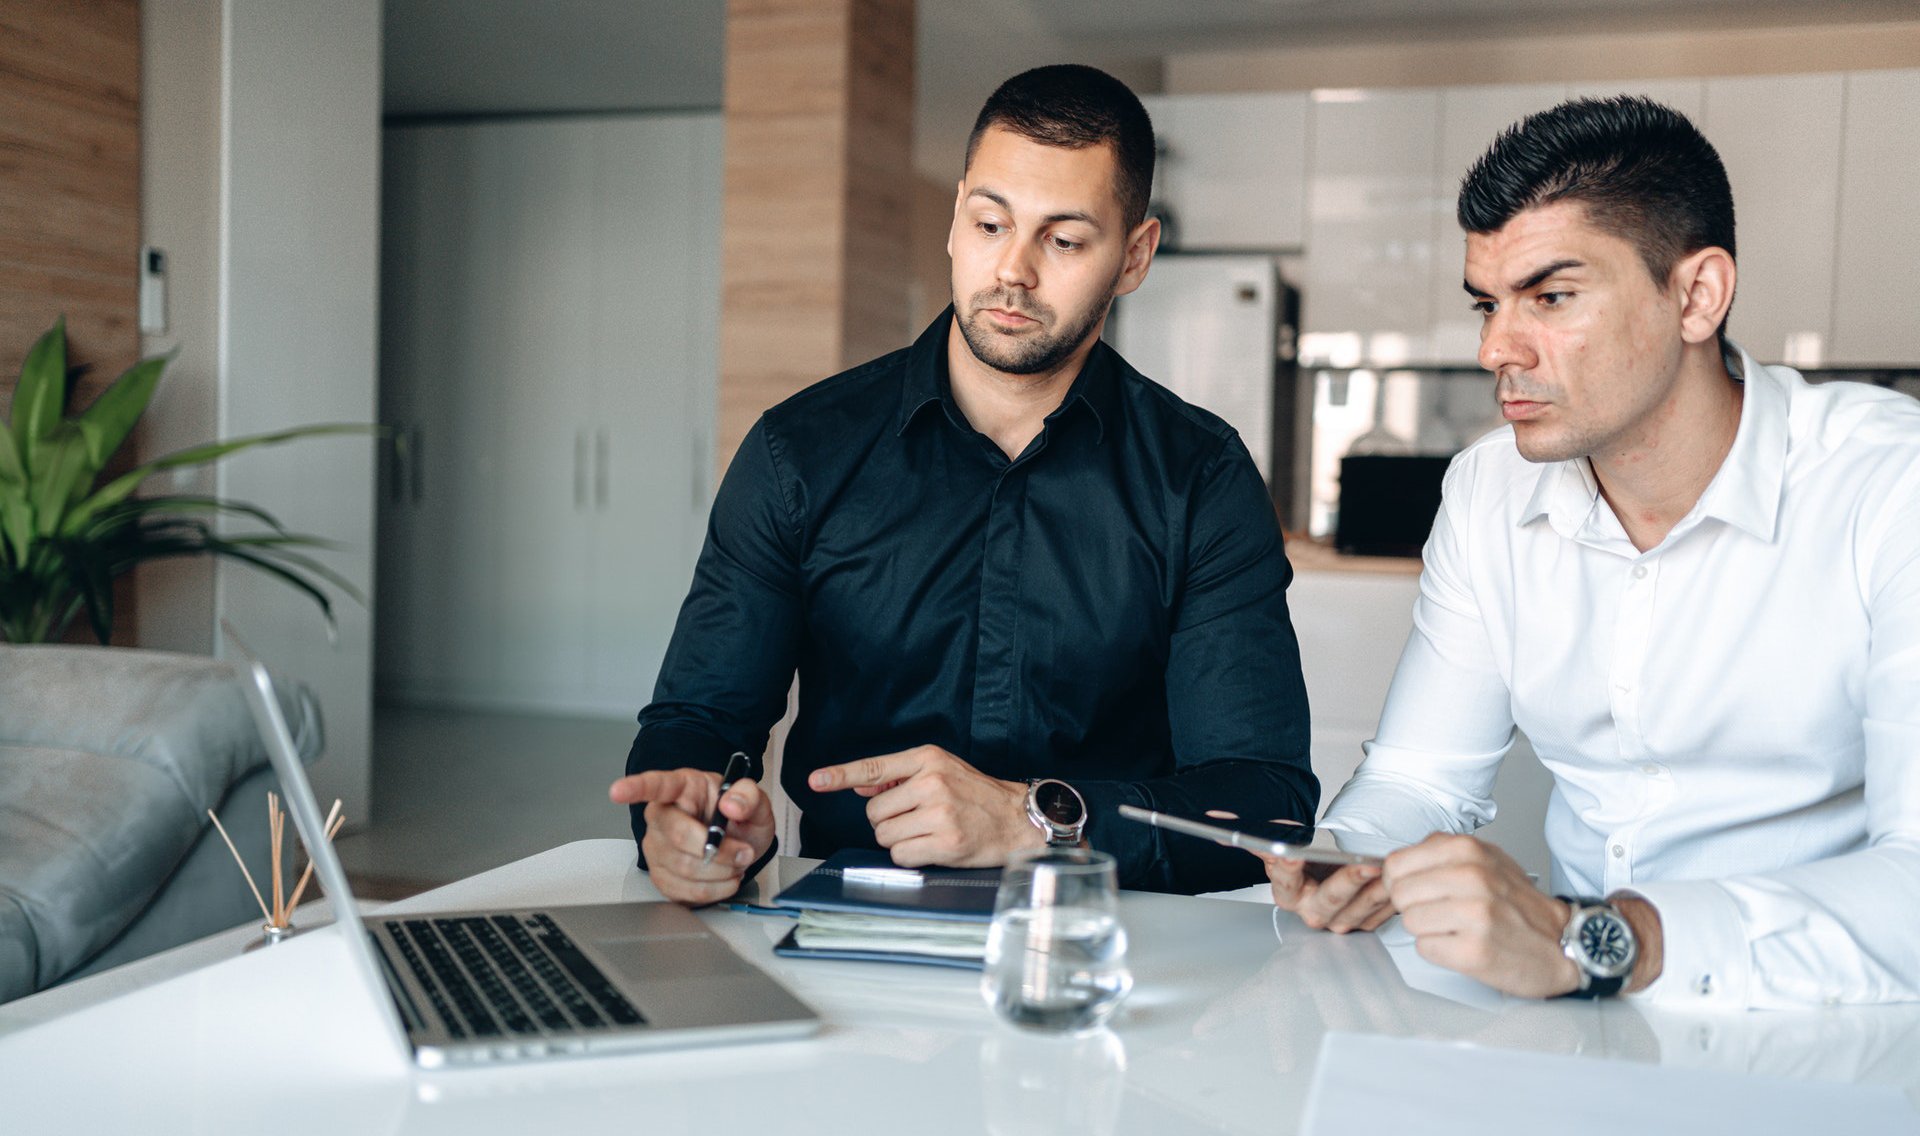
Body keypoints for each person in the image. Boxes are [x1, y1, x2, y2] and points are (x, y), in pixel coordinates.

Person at [1266, 96, 1920, 1008]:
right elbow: (1420, 777)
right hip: (1575, 1013)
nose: (1495, 346)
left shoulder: (1892, 487)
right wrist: (1352, 854)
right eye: (1488, 303)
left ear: (1696, 296)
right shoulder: (1489, 490)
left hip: (1834, 1026)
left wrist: (1602, 939)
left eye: (1552, 296)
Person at [610, 64, 1315, 905]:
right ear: (954, 222)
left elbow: (1263, 807)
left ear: (1134, 257)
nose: (1012, 270)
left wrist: (1034, 821)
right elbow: (701, 719)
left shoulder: (1202, 478)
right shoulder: (798, 453)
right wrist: (698, 825)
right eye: (990, 223)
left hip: (1101, 952)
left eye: (1063, 240)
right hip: (846, 931)